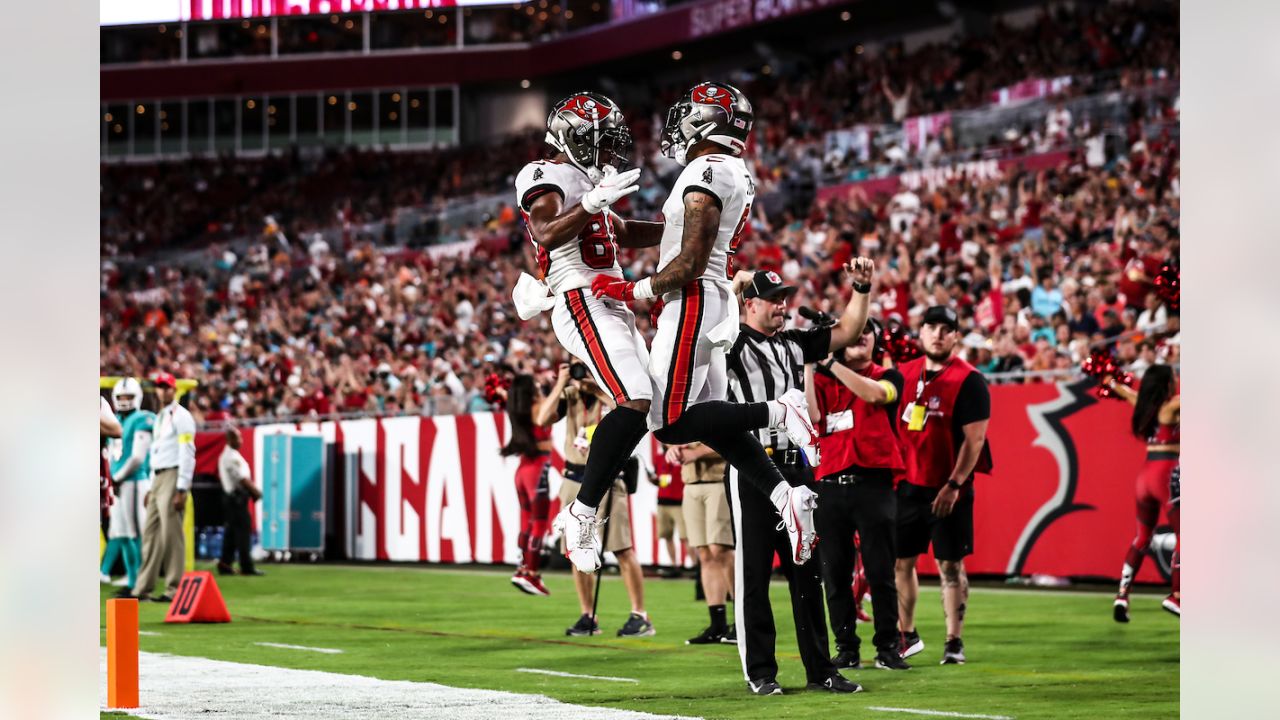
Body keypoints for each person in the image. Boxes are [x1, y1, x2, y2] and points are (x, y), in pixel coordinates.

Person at [588, 82, 847, 577]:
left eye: (688, 114)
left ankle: (778, 408)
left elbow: (688, 262)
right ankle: (784, 493)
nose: (679, 122)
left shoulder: (706, 171)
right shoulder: (726, 170)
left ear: (705, 120)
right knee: (712, 415)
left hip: (693, 300)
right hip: (709, 300)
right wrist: (619, 225)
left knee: (666, 421)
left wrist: (630, 291)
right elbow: (676, 238)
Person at [510, 92, 667, 579]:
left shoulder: (585, 180)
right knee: (636, 397)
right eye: (600, 142)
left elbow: (622, 233)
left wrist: (680, 226)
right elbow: (545, 232)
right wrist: (591, 203)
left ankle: (591, 460)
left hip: (611, 298)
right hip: (579, 298)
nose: (607, 152)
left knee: (659, 413)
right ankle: (581, 512)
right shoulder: (543, 174)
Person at [722, 268, 876, 696]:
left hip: (797, 468)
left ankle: (821, 669)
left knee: (807, 572)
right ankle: (761, 672)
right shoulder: (730, 343)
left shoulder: (793, 343)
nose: (781, 305)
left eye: (783, 297)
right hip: (753, 468)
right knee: (754, 574)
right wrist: (735, 285)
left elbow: (848, 330)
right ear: (749, 304)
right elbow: (713, 318)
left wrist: (861, 288)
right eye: (772, 298)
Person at [804, 319, 911, 671]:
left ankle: (888, 647)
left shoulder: (888, 376)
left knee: (880, 571)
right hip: (831, 486)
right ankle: (846, 647)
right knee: (835, 574)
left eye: (869, 331)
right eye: (856, 330)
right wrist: (809, 361)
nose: (862, 335)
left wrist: (831, 362)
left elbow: (874, 395)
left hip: (874, 484)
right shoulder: (821, 379)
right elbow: (812, 415)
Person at [894, 306, 993, 666]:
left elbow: (975, 440)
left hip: (949, 489)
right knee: (901, 562)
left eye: (945, 329)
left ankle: (954, 641)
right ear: (920, 333)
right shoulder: (903, 375)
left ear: (955, 335)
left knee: (950, 565)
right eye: (931, 327)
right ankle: (907, 634)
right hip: (907, 484)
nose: (937, 334)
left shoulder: (970, 380)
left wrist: (954, 485)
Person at [539, 364, 654, 637]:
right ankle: (587, 614)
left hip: (608, 479)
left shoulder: (614, 392)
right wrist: (562, 382)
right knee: (575, 551)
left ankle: (640, 615)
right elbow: (542, 419)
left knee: (622, 548)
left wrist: (597, 389)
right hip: (572, 477)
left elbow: (631, 414)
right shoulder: (569, 396)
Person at [1106, 364, 1180, 619]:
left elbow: (1118, 388)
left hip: (1144, 477)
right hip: (1167, 474)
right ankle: (1177, 596)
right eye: (1173, 378)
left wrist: (1111, 379)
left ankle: (1122, 595)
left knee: (1141, 538)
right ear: (1166, 384)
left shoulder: (1142, 404)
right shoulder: (1171, 407)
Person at [123, 372, 197, 602]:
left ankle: (174, 588)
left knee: (171, 535)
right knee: (151, 534)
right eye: (159, 387)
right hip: (158, 477)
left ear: (174, 390)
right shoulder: (160, 417)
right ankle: (142, 588)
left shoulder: (181, 416)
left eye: (166, 387)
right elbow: (156, 452)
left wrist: (182, 487)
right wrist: (152, 486)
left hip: (173, 475)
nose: (162, 391)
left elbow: (187, 452)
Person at [671, 441, 736, 645]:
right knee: (705, 554)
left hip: (718, 480)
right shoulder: (679, 410)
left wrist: (697, 451)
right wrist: (673, 447)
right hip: (691, 483)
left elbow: (732, 439)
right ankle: (718, 624)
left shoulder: (718, 407)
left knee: (721, 551)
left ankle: (743, 620)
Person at [500, 373, 555, 597]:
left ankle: (522, 569)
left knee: (526, 522)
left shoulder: (517, 406)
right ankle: (532, 572)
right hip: (537, 468)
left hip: (523, 470)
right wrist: (558, 383)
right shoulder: (537, 407)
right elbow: (550, 408)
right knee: (540, 523)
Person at [101, 378, 154, 589]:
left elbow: (138, 458)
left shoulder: (143, 418)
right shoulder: (116, 421)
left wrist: (118, 476)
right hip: (118, 483)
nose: (124, 401)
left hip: (134, 481)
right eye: (121, 397)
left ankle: (139, 582)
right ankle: (133, 581)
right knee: (121, 533)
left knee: (134, 533)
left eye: (128, 397)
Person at [216, 428, 263, 577]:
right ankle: (246, 565)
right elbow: (242, 479)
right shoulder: (230, 457)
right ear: (230, 440)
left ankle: (225, 563)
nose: (241, 441)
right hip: (235, 499)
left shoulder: (231, 455)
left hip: (235, 498)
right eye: (238, 438)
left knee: (231, 533)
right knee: (243, 532)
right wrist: (256, 492)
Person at [651, 444, 687, 579]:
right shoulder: (659, 458)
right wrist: (654, 480)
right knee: (667, 535)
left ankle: (696, 567)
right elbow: (657, 477)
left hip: (680, 501)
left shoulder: (683, 455)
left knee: (686, 536)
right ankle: (674, 566)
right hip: (663, 501)